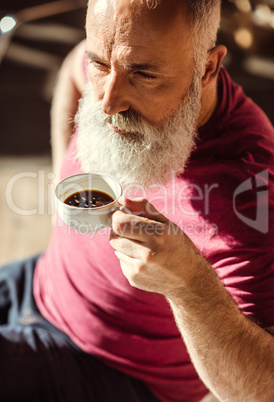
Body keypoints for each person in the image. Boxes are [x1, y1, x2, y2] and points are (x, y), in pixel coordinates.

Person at [1, 0, 274, 401]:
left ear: (208, 68)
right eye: (101, 65)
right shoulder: (115, 60)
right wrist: (66, 170)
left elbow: (262, 388)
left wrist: (189, 284)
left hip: (114, 374)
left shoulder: (251, 186)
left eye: (143, 75)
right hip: (38, 283)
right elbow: (72, 70)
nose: (108, 102)